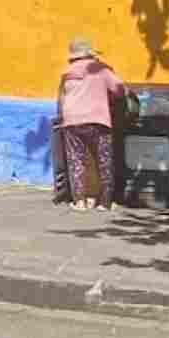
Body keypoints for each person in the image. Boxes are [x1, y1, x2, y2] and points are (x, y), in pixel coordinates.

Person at [56, 36, 127, 212]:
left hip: (71, 121)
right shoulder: (100, 69)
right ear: (90, 54)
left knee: (76, 160)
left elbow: (61, 99)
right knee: (104, 160)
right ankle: (104, 203)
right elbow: (120, 90)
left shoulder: (67, 72)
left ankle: (79, 202)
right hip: (97, 120)